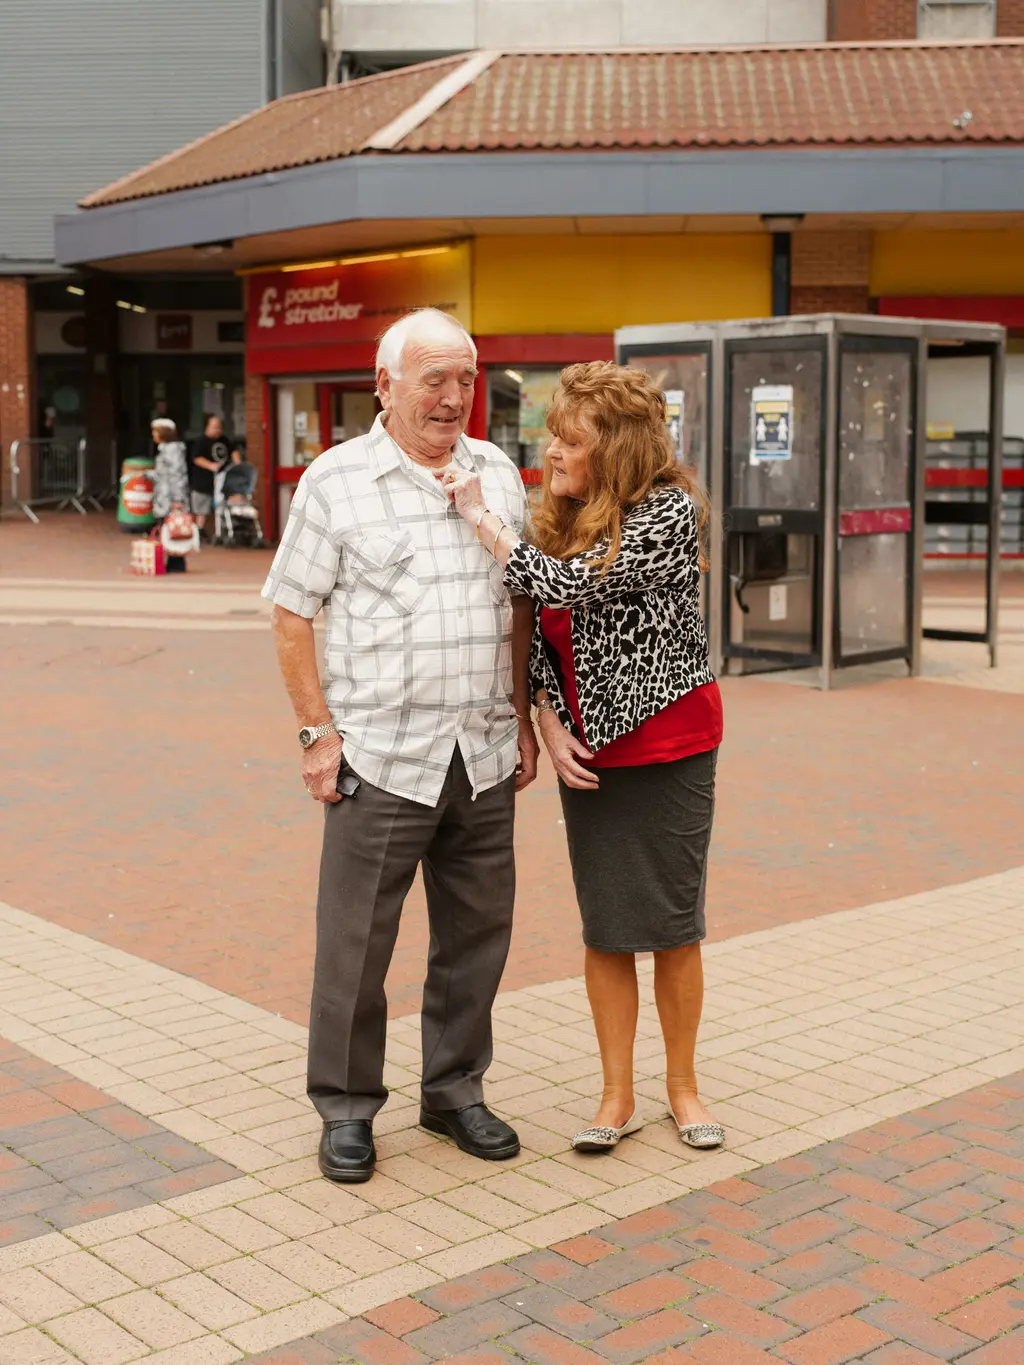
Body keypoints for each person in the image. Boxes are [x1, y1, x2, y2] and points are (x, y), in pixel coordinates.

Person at [262, 308, 539, 1184]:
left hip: (482, 752)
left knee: (477, 937)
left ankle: (454, 1092)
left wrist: (523, 717)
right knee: (355, 946)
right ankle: (346, 1107)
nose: (454, 397)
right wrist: (317, 735)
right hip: (379, 755)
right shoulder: (336, 480)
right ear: (385, 386)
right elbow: (291, 612)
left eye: (466, 379)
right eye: (435, 379)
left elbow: (520, 602)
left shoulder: (497, 473)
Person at [442, 361, 725, 1154]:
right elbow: (540, 628)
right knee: (607, 926)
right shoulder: (561, 512)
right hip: (590, 752)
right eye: (554, 437)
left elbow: (567, 585)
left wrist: (482, 519)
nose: (553, 452)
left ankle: (683, 1086)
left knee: (673, 925)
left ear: (618, 447)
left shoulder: (670, 512)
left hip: (670, 744)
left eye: (571, 439)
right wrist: (546, 712)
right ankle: (616, 1095)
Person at [189, 414, 229, 532]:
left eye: (219, 427)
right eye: (214, 427)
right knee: (201, 509)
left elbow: (234, 451)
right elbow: (197, 458)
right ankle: (199, 531)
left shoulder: (224, 440)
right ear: (207, 427)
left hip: (221, 482)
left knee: (222, 506)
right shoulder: (201, 441)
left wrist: (237, 466)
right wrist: (211, 466)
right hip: (203, 481)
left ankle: (223, 530)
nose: (218, 430)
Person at [150, 419, 190, 522]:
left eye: (155, 431)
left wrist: (178, 499)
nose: (153, 434)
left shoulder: (172, 450)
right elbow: (163, 474)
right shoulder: (164, 449)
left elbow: (178, 474)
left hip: (170, 502)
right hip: (164, 499)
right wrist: (147, 474)